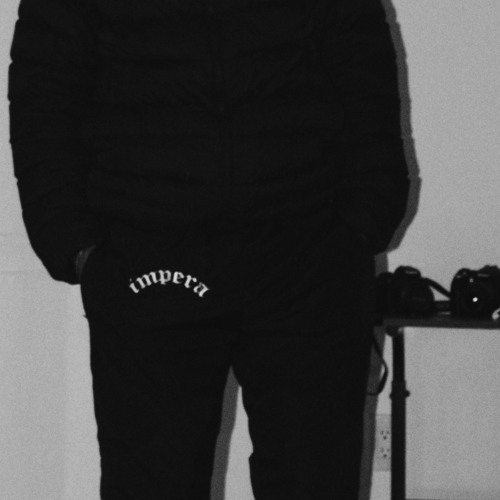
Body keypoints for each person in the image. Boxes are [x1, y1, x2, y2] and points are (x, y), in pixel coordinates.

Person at [8, 0, 409, 498]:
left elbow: (365, 69)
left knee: (315, 481)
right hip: (150, 263)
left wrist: (359, 229)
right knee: (152, 487)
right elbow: (43, 91)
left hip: (308, 259)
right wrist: (75, 245)